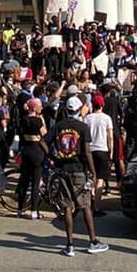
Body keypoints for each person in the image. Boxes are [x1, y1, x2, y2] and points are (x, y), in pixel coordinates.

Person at [47, 94, 108, 256]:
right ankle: (93, 241)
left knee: (67, 207)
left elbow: (43, 141)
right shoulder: (82, 127)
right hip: (79, 169)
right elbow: (87, 151)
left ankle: (70, 244)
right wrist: (93, 171)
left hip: (62, 169)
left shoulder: (58, 126)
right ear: (80, 110)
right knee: (85, 205)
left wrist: (53, 157)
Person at [15, 99, 48, 220]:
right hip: (37, 150)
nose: (41, 108)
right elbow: (44, 133)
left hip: (26, 149)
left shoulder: (23, 119)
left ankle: (19, 209)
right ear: (34, 108)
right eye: (39, 106)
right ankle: (34, 210)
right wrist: (43, 120)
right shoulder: (38, 120)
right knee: (35, 182)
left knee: (24, 180)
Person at [84, 95, 113, 216]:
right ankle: (96, 206)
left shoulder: (87, 118)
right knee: (100, 179)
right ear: (102, 105)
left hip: (90, 149)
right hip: (102, 149)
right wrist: (111, 151)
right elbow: (110, 136)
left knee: (91, 177)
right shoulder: (107, 118)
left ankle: (90, 202)